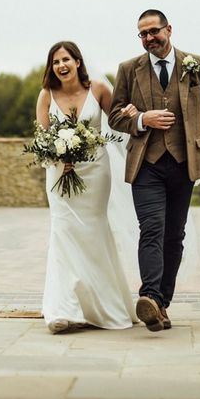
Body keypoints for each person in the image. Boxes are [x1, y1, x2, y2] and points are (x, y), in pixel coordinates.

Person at [108, 10, 200, 332]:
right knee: (152, 229)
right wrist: (143, 120)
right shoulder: (129, 69)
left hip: (184, 166)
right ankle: (149, 295)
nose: (148, 38)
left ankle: (160, 304)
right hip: (147, 165)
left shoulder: (196, 64)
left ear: (168, 29)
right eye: (142, 34)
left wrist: (195, 144)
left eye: (153, 31)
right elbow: (115, 116)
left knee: (175, 235)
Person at [37, 40, 137, 334]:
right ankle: (62, 309)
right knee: (63, 232)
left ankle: (100, 306)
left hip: (95, 173)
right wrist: (58, 154)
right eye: (56, 62)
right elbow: (42, 139)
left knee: (93, 233)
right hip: (58, 175)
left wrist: (132, 114)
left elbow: (117, 120)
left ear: (78, 62)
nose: (61, 66)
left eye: (66, 59)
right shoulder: (46, 95)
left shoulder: (98, 90)